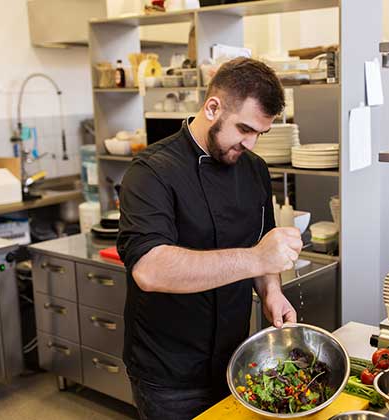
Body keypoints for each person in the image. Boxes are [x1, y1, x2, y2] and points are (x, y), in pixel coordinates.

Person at [116, 57, 303, 420]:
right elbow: (150, 270)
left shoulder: (255, 170)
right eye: (245, 128)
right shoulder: (151, 172)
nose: (251, 143)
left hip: (236, 359)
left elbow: (260, 242)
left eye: (260, 134)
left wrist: (271, 291)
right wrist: (257, 260)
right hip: (168, 374)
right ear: (212, 107)